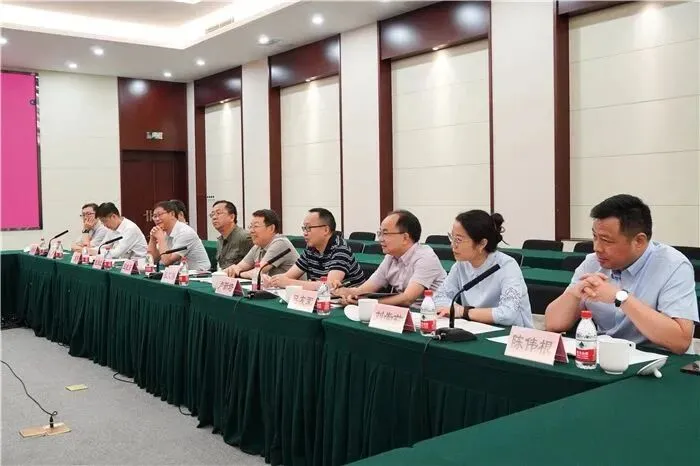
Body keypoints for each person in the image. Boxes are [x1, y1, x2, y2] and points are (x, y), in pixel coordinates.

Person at [545, 194, 698, 354]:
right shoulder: (593, 263)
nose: (597, 247)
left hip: (658, 359)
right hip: (605, 355)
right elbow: (553, 324)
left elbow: (680, 341)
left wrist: (620, 298)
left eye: (606, 240)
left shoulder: (673, 266)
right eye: (595, 237)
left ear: (639, 241)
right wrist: (575, 294)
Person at [435, 210, 533, 327]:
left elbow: (508, 314)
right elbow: (438, 298)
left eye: (459, 240)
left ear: (482, 243)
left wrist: (462, 311)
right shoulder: (461, 265)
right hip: (475, 327)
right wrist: (460, 311)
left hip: (512, 333)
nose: (453, 245)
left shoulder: (507, 266)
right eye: (452, 238)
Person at [335, 210, 446, 307]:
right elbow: (363, 290)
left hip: (433, 314)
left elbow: (407, 298)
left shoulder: (425, 257)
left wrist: (368, 303)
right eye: (380, 233)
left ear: (405, 237)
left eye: (385, 233)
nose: (380, 239)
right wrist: (341, 291)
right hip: (405, 314)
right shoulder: (390, 257)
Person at [265, 208, 364, 290]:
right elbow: (288, 276)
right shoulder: (311, 248)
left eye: (308, 228)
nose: (305, 233)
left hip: (352, 302)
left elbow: (329, 286)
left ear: (326, 230)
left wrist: (289, 283)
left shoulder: (340, 249)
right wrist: (272, 280)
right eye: (304, 228)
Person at [224, 209, 299, 278]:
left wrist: (239, 274)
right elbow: (239, 267)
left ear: (271, 228)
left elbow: (259, 271)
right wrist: (229, 271)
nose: (251, 231)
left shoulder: (280, 243)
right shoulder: (258, 246)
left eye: (255, 226)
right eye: (251, 226)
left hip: (293, 288)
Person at [147, 200, 211, 271]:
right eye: (154, 216)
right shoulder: (163, 232)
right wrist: (152, 239)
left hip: (199, 273)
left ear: (172, 214)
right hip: (179, 272)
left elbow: (167, 261)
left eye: (160, 215)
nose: (157, 219)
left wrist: (160, 238)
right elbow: (152, 259)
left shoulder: (185, 232)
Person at [210, 200, 252, 269]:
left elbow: (255, 265)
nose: (214, 217)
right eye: (212, 214)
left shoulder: (245, 238)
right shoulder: (220, 240)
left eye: (218, 213)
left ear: (232, 217)